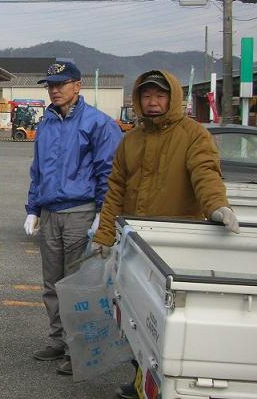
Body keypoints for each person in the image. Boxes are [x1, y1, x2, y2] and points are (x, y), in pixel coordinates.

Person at [91, 70, 240, 399]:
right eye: (147, 96)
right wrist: (104, 234)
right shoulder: (131, 139)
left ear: (172, 99)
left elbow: (205, 172)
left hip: (172, 245)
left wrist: (216, 206)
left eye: (159, 96)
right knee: (133, 318)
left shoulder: (194, 135)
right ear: (138, 100)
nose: (153, 102)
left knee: (165, 324)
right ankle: (139, 379)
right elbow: (115, 188)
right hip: (134, 244)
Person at [24, 61, 123, 375]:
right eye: (51, 85)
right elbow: (38, 170)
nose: (55, 90)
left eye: (61, 84)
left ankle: (78, 348)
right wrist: (32, 208)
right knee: (52, 283)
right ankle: (58, 339)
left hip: (81, 214)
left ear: (77, 86)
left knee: (77, 285)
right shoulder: (47, 123)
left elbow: (108, 173)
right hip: (51, 213)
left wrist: (103, 216)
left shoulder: (98, 124)